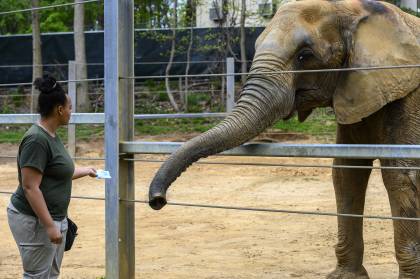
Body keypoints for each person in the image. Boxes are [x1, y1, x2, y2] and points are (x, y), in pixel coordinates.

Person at [7, 74, 97, 278]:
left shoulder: (51, 136)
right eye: (70, 107)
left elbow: (57, 173)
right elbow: (30, 187)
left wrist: (87, 170)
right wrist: (49, 225)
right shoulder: (36, 140)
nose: (71, 112)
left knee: (51, 274)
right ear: (59, 109)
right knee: (38, 275)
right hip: (34, 220)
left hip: (54, 218)